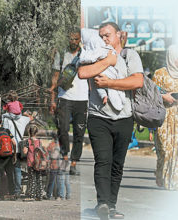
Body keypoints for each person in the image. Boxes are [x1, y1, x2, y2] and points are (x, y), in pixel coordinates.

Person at [78, 22, 144, 220]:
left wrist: (109, 83)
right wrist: (108, 60)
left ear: (118, 35)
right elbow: (83, 73)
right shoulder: (93, 53)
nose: (104, 39)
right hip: (99, 118)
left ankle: (112, 205)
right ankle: (103, 203)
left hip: (124, 118)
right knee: (103, 161)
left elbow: (137, 81)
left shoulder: (130, 56)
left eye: (107, 35)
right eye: (101, 35)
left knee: (117, 164)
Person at [49, 27, 88, 176]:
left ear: (80, 40)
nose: (73, 42)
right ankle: (65, 157)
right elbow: (55, 76)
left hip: (82, 99)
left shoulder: (85, 55)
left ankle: (74, 163)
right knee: (62, 130)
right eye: (71, 39)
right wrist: (52, 100)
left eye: (76, 39)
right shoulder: (61, 54)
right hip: (64, 97)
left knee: (79, 132)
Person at [152, 44, 178, 190]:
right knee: (165, 149)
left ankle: (174, 181)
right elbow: (151, 94)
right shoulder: (160, 73)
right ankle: (163, 179)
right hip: (165, 116)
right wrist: (164, 97)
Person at [22, 125, 43, 201]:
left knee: (32, 179)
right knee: (38, 179)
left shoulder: (27, 141)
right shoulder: (39, 141)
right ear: (36, 132)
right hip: (38, 163)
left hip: (31, 162)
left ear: (29, 132)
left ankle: (31, 196)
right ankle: (39, 195)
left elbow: (25, 151)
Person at [45, 132, 62, 201]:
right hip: (60, 164)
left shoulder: (52, 144)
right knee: (58, 181)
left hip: (53, 164)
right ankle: (58, 195)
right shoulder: (61, 144)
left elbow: (47, 152)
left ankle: (48, 195)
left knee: (51, 181)